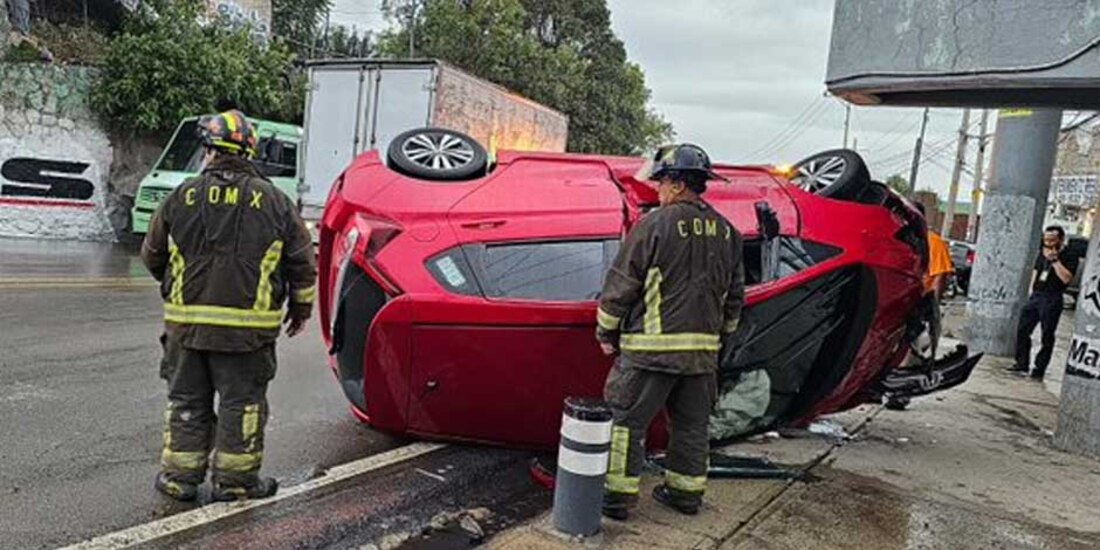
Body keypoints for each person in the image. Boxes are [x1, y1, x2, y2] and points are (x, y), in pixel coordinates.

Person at [141, 110, 316, 502]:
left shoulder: (179, 197)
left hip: (185, 330)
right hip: (246, 335)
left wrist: (178, 291)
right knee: (242, 404)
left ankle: (179, 479)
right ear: (249, 150)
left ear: (208, 151)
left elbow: (152, 255)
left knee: (186, 401)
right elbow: (303, 264)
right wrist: (300, 312)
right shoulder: (276, 202)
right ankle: (235, 484)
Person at [596, 143, 744, 520]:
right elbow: (734, 299)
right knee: (692, 427)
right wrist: (719, 341)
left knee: (626, 423)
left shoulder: (653, 225)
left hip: (650, 351)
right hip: (701, 357)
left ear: (678, 184)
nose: (658, 190)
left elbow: (622, 284)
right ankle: (685, 495)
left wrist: (605, 331)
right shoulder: (728, 233)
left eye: (662, 182)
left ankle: (616, 498)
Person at [1012, 226, 1077, 381]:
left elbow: (1067, 278)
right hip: (1037, 295)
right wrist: (1031, 291)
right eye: (1046, 239)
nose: (1048, 243)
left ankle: (1039, 368)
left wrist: (1055, 260)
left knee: (1047, 334)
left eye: (1052, 240)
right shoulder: (1042, 252)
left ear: (1060, 240)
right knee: (1022, 329)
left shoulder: (1069, 255)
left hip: (1053, 296)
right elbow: (1036, 271)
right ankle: (1021, 363)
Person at [915, 202, 954, 300]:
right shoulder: (897, 239)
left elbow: (939, 276)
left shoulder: (934, 242)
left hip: (921, 301)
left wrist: (933, 304)